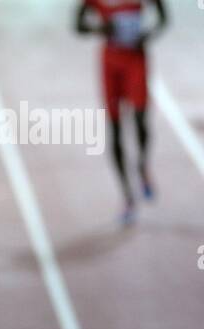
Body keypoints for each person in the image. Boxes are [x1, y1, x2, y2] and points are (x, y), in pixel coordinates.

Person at [75, 0, 168, 226]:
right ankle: (127, 196)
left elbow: (163, 18)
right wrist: (100, 29)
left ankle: (142, 165)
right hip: (110, 64)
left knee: (140, 120)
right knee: (114, 129)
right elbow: (78, 25)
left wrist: (147, 35)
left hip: (136, 60)